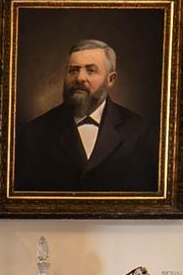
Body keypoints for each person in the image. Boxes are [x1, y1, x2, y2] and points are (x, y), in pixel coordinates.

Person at [13, 38, 158, 194]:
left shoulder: (142, 132)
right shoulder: (32, 134)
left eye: (91, 70)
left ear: (110, 79)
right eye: (73, 70)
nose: (80, 78)